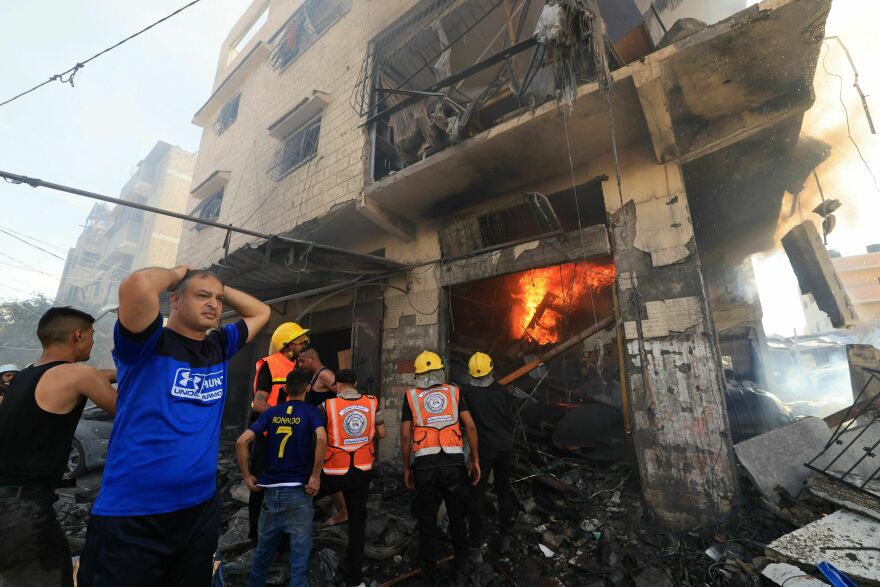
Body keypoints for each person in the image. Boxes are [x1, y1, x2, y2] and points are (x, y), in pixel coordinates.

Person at [78, 266, 270, 587]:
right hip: (133, 514)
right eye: (202, 296)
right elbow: (138, 284)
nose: (213, 304)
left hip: (199, 510)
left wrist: (218, 286)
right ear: (175, 300)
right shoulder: (147, 344)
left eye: (218, 300)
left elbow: (261, 311)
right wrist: (182, 271)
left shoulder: (219, 346)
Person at [0, 307, 117, 586]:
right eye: (91, 335)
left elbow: (95, 375)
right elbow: (130, 412)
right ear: (78, 335)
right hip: (23, 511)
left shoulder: (26, 375)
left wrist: (120, 371)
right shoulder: (78, 374)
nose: (93, 341)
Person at [234, 368, 326, 587]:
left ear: (284, 389)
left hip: (270, 494)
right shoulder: (312, 412)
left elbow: (241, 442)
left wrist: (247, 478)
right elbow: (321, 438)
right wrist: (315, 475)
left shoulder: (271, 413)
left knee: (262, 555)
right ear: (307, 388)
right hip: (297, 494)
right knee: (299, 560)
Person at [401, 350, 481, 584]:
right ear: (440, 371)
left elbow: (406, 435)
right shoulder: (454, 393)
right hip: (453, 463)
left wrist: (407, 467)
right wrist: (474, 460)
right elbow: (471, 427)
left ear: (417, 374)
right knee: (457, 517)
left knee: (426, 520)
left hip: (424, 466)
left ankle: (429, 574)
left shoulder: (412, 396)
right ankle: (461, 566)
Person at [317, 369, 385, 587]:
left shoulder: (327, 406)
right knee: (357, 527)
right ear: (355, 383)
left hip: (333, 472)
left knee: (302, 502)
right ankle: (354, 581)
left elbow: (318, 437)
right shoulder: (372, 402)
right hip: (361, 471)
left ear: (337, 385)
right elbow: (382, 434)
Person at [248, 322, 310, 543]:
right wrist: (282, 420)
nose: (305, 345)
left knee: (284, 484)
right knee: (260, 484)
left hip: (287, 437)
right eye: (301, 342)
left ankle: (281, 536)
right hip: (268, 437)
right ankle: (256, 535)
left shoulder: (294, 367)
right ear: (287, 345)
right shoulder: (270, 365)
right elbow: (258, 403)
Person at [461, 352, 515, 558]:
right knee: (504, 490)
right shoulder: (503, 391)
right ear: (491, 370)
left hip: (483, 450)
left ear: (471, 374)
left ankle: (475, 546)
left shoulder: (467, 394)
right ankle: (506, 537)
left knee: (477, 494)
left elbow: (466, 425)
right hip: (504, 447)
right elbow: (511, 419)